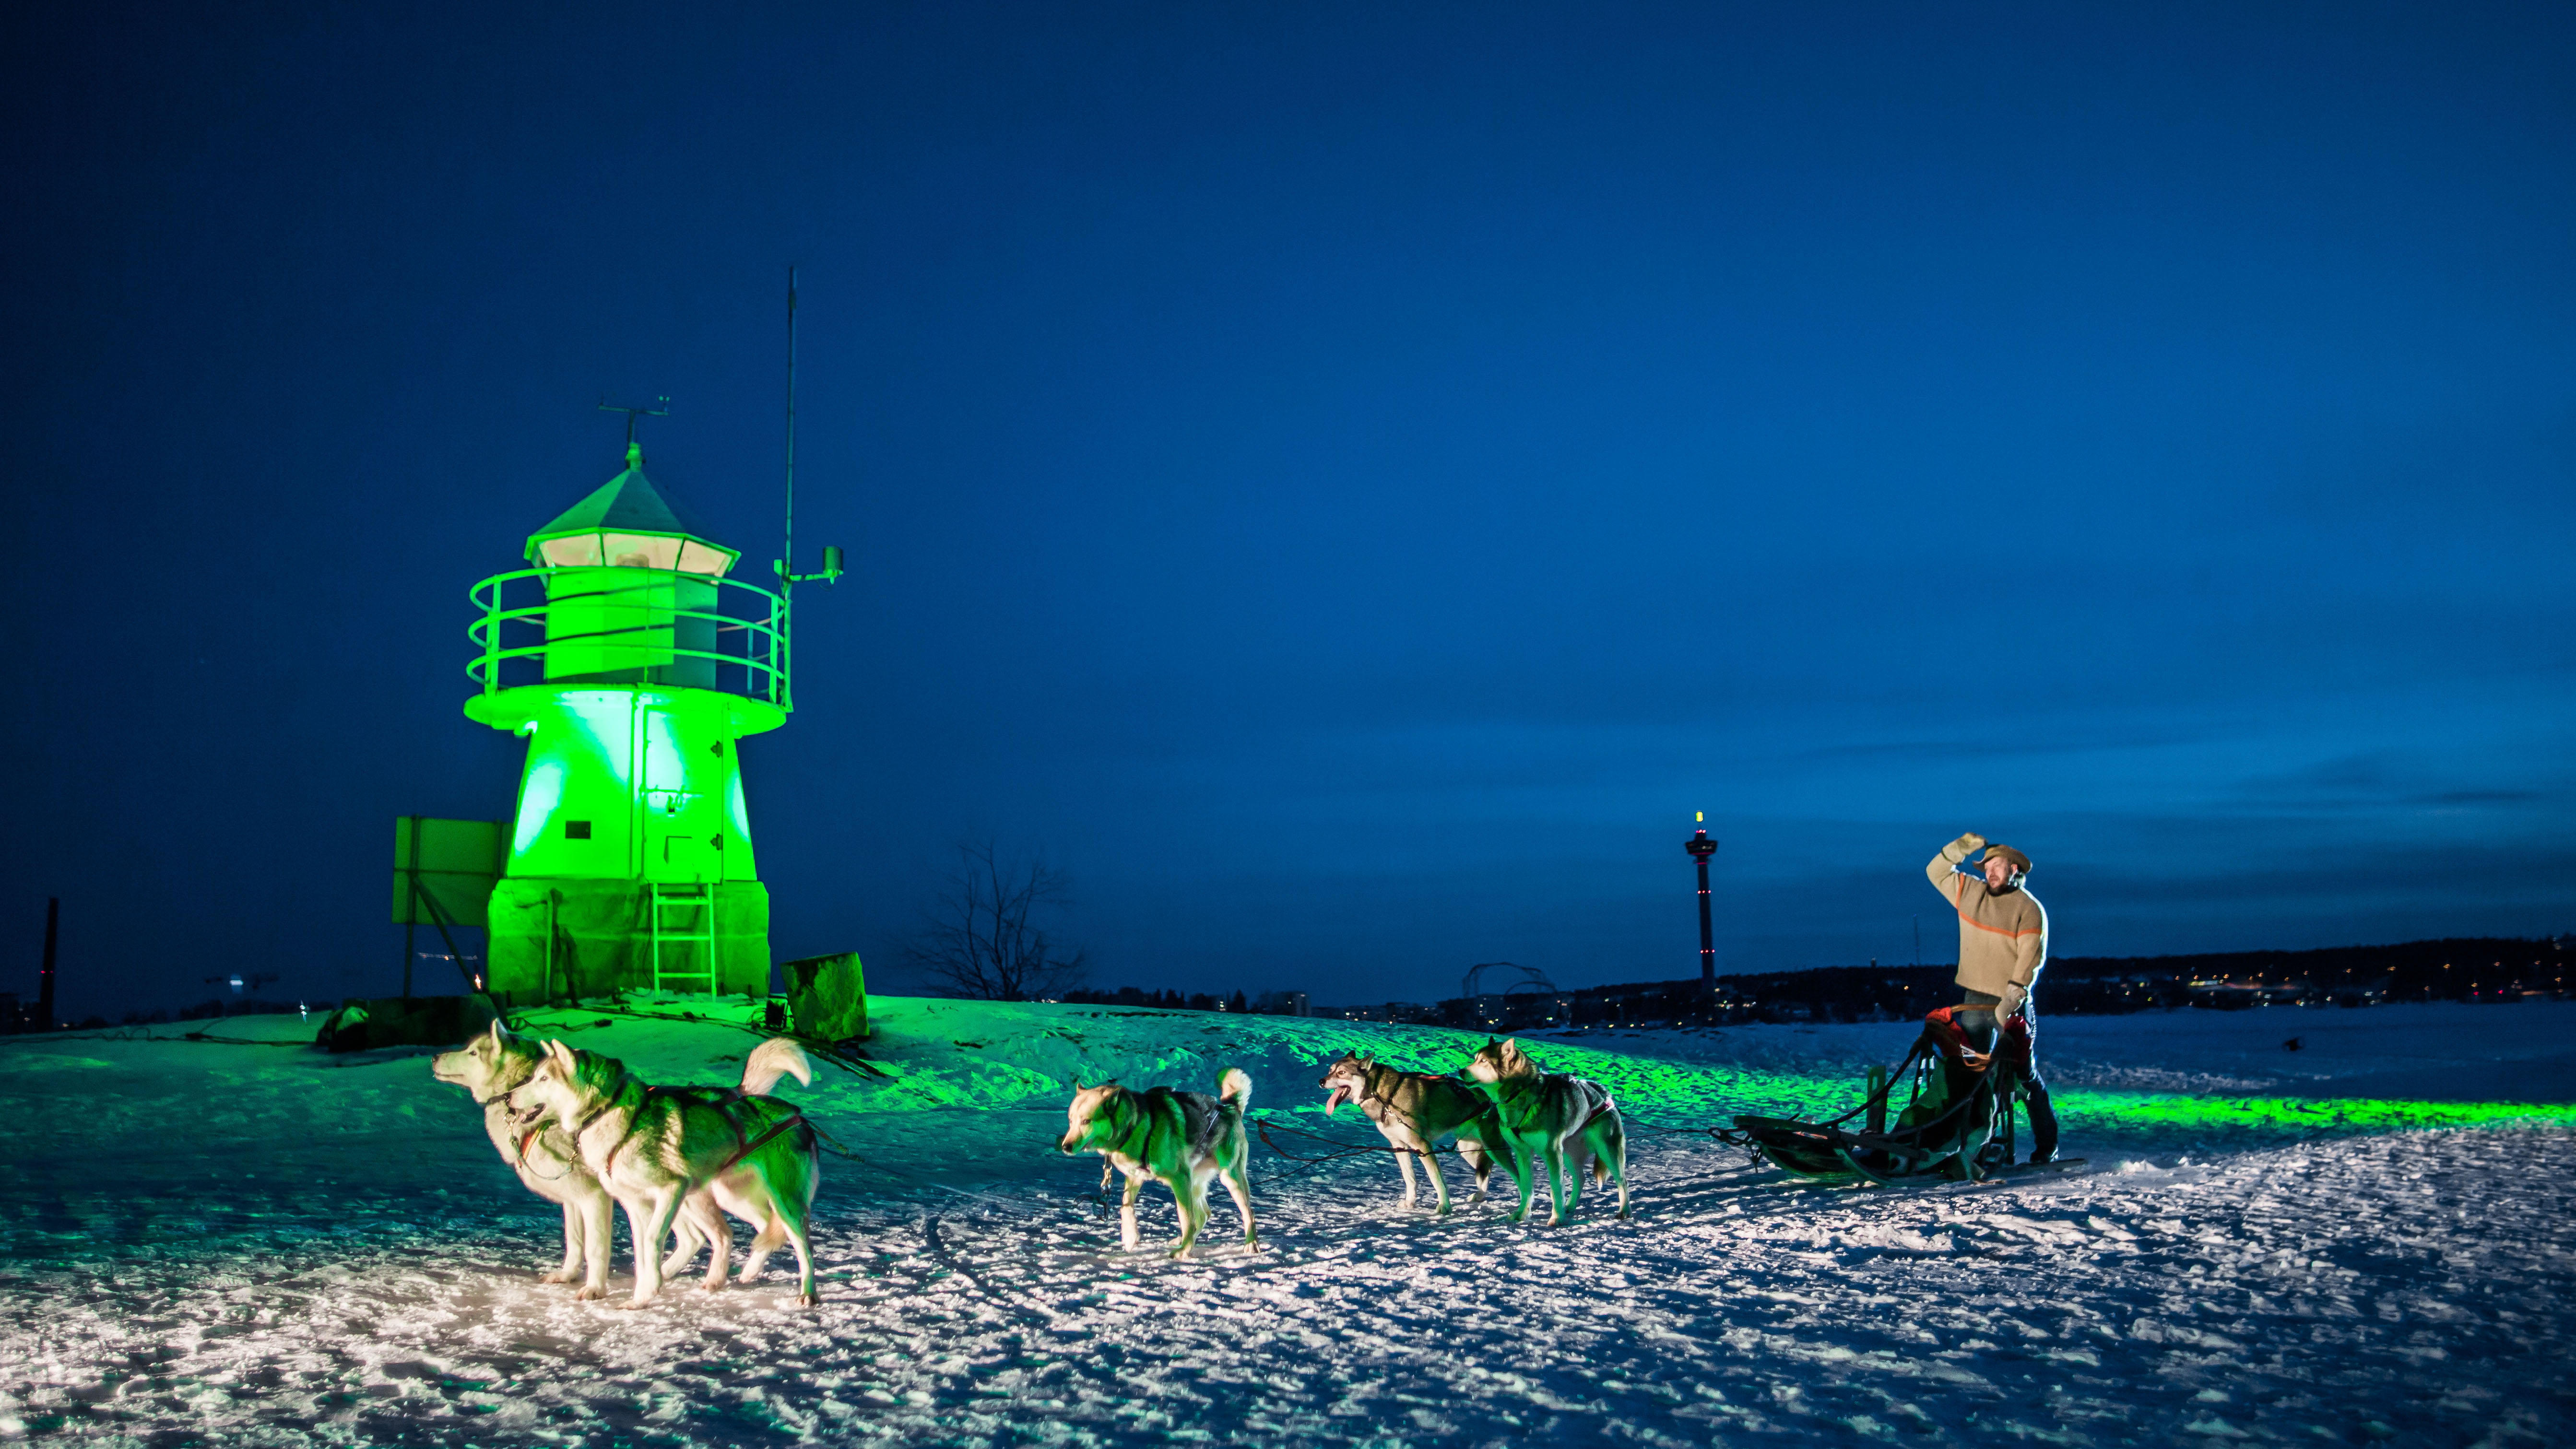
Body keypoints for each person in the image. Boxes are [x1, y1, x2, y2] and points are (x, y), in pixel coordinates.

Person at [1926, 831, 2058, 1164]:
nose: (1990, 872)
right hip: (1973, 1001)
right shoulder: (1970, 893)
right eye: (1986, 866)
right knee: (1969, 1072)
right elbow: (1935, 872)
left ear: (2015, 868)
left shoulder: (2029, 910)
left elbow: (2030, 960)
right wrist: (1963, 847)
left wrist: (2009, 1003)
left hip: (2011, 1005)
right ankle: (1971, 1145)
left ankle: (2047, 1146)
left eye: (1997, 866)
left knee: (2021, 1077)